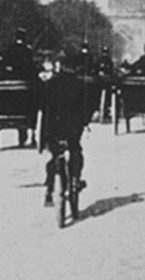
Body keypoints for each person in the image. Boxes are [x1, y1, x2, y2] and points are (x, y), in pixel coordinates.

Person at [42, 55, 90, 207]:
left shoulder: (50, 84)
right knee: (75, 151)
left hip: (54, 128)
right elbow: (86, 108)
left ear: (60, 67)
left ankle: (49, 190)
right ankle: (75, 179)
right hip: (72, 128)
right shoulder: (79, 85)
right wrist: (84, 121)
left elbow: (43, 106)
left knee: (54, 156)